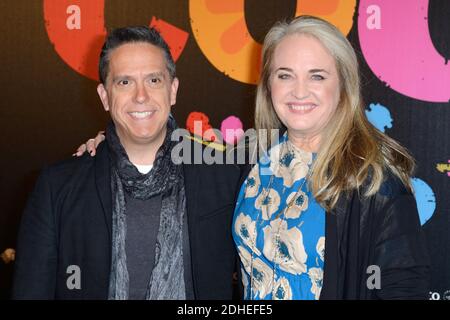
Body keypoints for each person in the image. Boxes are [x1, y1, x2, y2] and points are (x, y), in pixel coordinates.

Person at [12, 26, 242, 299]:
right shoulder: (58, 188)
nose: (141, 96)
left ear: (173, 90)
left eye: (154, 80)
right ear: (104, 96)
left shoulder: (226, 177)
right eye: (124, 82)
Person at [232, 16, 430, 300]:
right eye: (284, 75)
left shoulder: (376, 185)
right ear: (268, 85)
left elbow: (403, 290)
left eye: (317, 76)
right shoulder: (251, 160)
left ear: (343, 87)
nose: (299, 91)